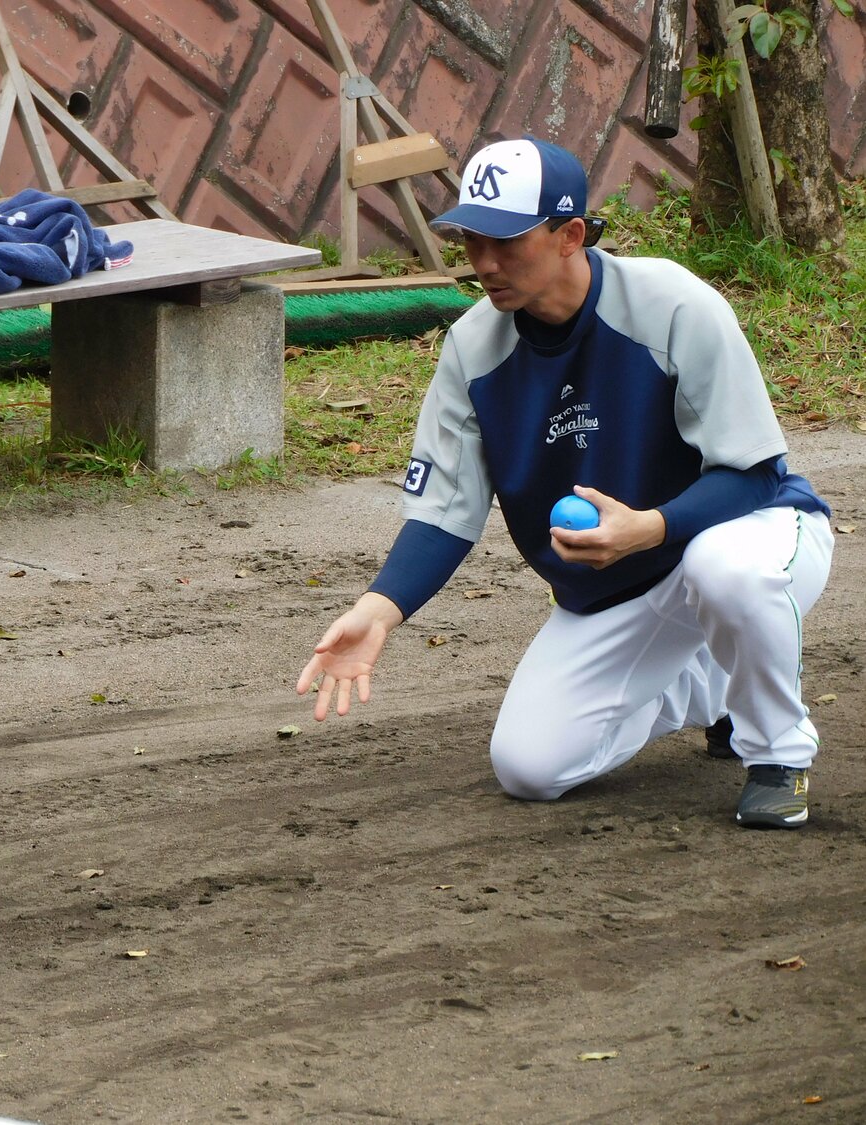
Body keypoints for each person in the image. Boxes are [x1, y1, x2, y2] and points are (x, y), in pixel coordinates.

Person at [295, 136, 834, 828]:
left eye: (506, 243)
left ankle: (779, 756)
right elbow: (444, 512)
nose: (484, 264)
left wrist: (651, 526)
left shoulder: (671, 305)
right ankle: (715, 684)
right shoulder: (472, 350)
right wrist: (380, 607)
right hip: (618, 589)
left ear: (569, 235)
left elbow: (754, 474)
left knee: (725, 572)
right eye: (470, 241)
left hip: (748, 532)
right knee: (529, 767)